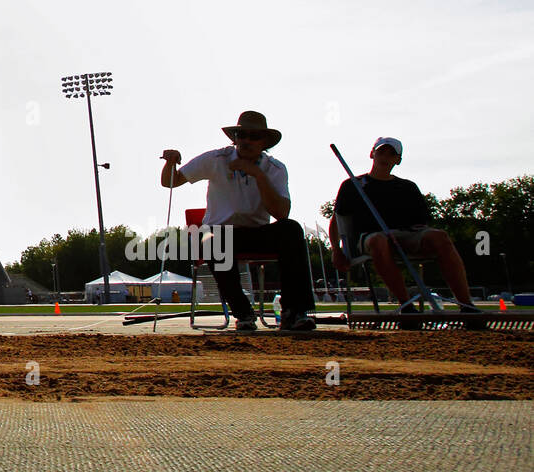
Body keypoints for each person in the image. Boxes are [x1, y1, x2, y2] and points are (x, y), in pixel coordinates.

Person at [161, 110, 315, 333]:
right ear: (234, 138)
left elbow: (281, 213)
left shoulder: (275, 169)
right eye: (241, 135)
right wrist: (170, 163)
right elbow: (170, 182)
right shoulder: (216, 159)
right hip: (221, 233)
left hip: (257, 232)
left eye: (253, 137)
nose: (246, 141)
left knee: (291, 229)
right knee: (212, 240)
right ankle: (243, 314)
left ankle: (294, 312)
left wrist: (257, 174)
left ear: (264, 142)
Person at [329, 137, 485, 330]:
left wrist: (412, 231)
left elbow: (422, 223)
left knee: (440, 236)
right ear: (372, 154)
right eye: (381, 152)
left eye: (391, 154)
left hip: (406, 234)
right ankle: (407, 307)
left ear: (398, 160)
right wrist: (336, 250)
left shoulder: (407, 187)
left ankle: (467, 306)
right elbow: (337, 221)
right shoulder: (353, 184)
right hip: (370, 237)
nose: (385, 157)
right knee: (378, 241)